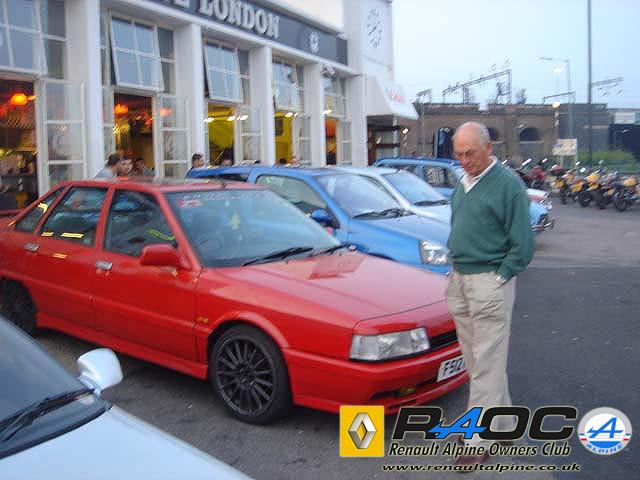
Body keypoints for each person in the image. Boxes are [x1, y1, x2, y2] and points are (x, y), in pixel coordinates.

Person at [445, 122, 535, 468]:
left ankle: (477, 438)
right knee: (479, 362)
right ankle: (505, 425)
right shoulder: (463, 182)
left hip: (488, 282)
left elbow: (523, 244)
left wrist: (500, 276)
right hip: (460, 280)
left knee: (486, 364)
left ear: (488, 148)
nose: (463, 160)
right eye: (458, 154)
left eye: (470, 153)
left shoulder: (508, 185)